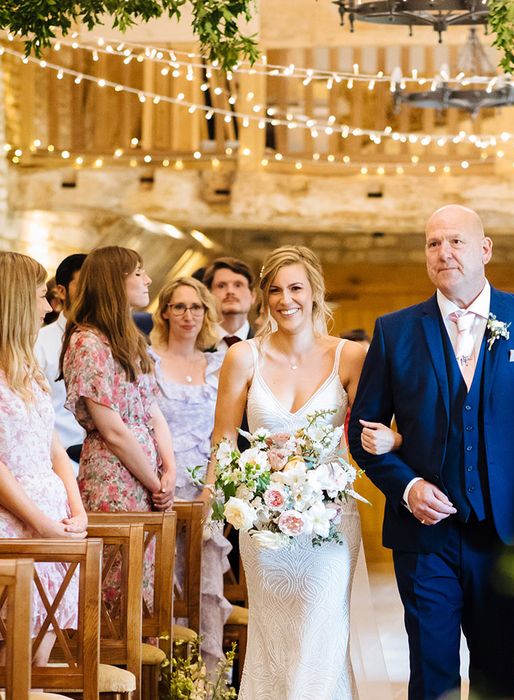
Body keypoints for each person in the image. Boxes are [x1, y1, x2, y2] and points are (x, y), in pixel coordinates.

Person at [349, 204, 514, 700]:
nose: (444, 252)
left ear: (485, 249)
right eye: (433, 243)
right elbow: (363, 432)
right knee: (432, 671)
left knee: (498, 669)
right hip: (424, 534)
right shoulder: (395, 332)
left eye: (456, 241)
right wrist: (407, 487)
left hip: (506, 530)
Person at [206, 245, 382, 699]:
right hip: (265, 527)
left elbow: (367, 439)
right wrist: (216, 512)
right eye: (276, 290)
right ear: (265, 298)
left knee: (321, 635)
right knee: (275, 643)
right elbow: (224, 440)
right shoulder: (243, 357)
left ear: (315, 293)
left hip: (330, 523)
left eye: (296, 288)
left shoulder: (352, 357)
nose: (287, 300)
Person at [61, 246, 176, 607]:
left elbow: (151, 409)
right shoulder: (87, 341)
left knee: (144, 583)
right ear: (115, 281)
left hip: (145, 472)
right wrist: (155, 481)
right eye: (138, 272)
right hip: (114, 474)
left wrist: (169, 468)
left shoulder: (130, 338)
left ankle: (140, 658)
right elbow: (111, 428)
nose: (148, 279)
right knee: (116, 583)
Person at [0, 251, 87, 664]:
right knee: (9, 666)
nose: (49, 306)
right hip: (14, 525)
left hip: (51, 524)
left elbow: (49, 439)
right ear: (15, 300)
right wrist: (41, 523)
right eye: (39, 296)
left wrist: (76, 506)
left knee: (34, 667)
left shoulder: (28, 365)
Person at [149, 276, 232, 670]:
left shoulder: (217, 365)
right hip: (159, 490)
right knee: (163, 589)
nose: (188, 315)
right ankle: (166, 683)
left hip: (206, 490)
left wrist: (212, 489)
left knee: (205, 590)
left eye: (196, 307)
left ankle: (208, 684)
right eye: (179, 306)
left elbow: (224, 433)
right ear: (164, 311)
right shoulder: (146, 362)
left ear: (206, 313)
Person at [34, 253, 87, 470]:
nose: (92, 292)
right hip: (59, 464)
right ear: (61, 291)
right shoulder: (39, 343)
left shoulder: (115, 344)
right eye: (84, 284)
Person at [203, 257, 257, 351]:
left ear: (253, 296)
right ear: (208, 295)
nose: (230, 291)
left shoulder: (266, 346)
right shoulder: (195, 346)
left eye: (238, 285)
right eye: (221, 286)